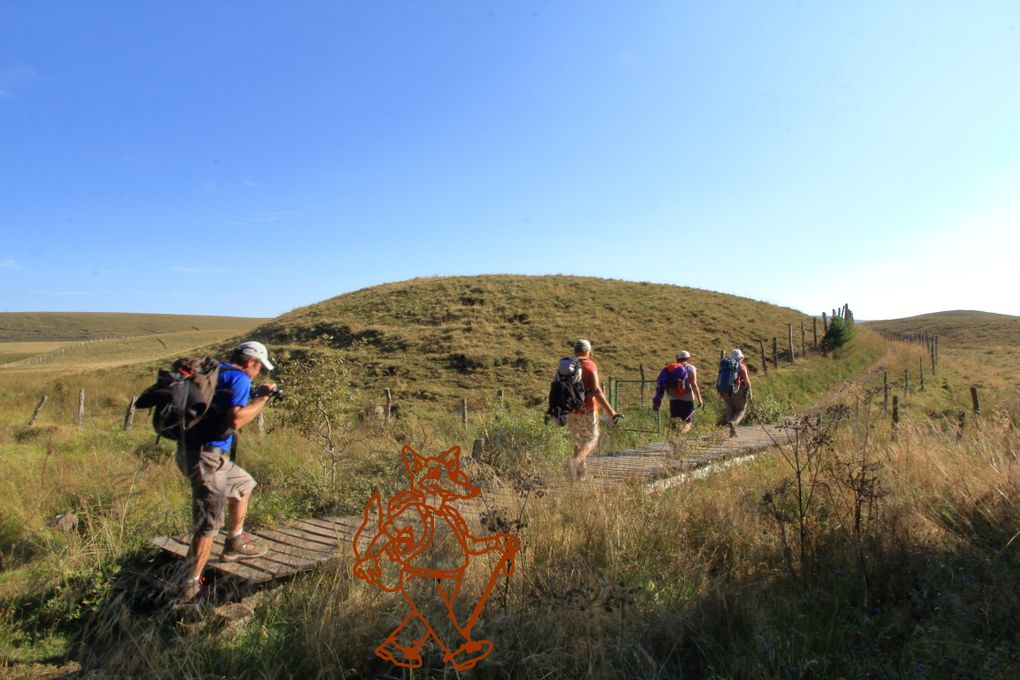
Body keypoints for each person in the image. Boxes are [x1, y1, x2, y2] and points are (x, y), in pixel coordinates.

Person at [177, 340, 278, 601]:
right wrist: (263, 397)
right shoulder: (240, 379)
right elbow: (236, 419)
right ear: (250, 362)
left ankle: (234, 541)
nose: (259, 373)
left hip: (194, 451)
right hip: (208, 458)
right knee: (207, 525)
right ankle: (189, 587)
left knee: (244, 485)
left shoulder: (216, 372)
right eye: (259, 368)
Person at [564, 339, 621, 481]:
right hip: (587, 409)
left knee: (578, 441)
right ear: (588, 351)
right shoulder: (589, 366)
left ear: (574, 351)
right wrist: (611, 412)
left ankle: (580, 474)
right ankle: (575, 462)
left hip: (570, 410)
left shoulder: (566, 366)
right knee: (592, 440)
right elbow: (596, 390)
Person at [652, 350, 704, 435]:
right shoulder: (691, 368)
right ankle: (679, 434)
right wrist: (700, 400)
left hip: (673, 398)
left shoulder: (670, 369)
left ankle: (678, 442)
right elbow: (694, 385)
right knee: (688, 423)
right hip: (687, 399)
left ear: (677, 358)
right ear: (688, 358)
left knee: (677, 422)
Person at [719, 348, 752, 437]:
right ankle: (734, 423)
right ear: (740, 357)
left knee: (730, 409)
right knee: (741, 409)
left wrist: (721, 393)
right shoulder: (741, 366)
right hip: (738, 390)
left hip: (725, 390)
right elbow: (746, 381)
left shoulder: (725, 366)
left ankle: (732, 432)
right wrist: (750, 392)